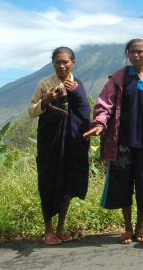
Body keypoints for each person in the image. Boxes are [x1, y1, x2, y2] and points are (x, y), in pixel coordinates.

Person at [83, 38, 143, 244]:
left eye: (140, 52)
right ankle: (127, 228)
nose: (136, 55)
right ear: (127, 54)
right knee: (123, 186)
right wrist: (99, 123)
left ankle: (141, 227)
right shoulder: (118, 78)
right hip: (121, 142)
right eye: (132, 52)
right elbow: (105, 104)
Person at [28, 47, 91, 245]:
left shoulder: (77, 84)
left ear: (73, 63)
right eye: (58, 62)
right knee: (48, 181)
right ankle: (48, 230)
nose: (62, 65)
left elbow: (84, 111)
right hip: (51, 142)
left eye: (65, 62)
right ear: (53, 63)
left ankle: (61, 228)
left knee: (68, 183)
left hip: (72, 142)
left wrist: (77, 92)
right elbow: (31, 111)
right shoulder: (45, 83)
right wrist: (45, 101)